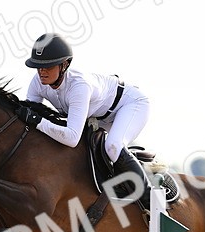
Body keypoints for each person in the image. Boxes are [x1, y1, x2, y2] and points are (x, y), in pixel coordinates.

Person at [14, 32, 153, 211]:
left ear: (64, 65)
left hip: (130, 106)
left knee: (113, 146)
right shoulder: (37, 83)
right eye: (38, 67)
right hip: (97, 116)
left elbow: (70, 137)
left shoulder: (79, 86)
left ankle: (154, 205)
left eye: (47, 66)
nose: (42, 71)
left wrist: (37, 120)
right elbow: (31, 117)